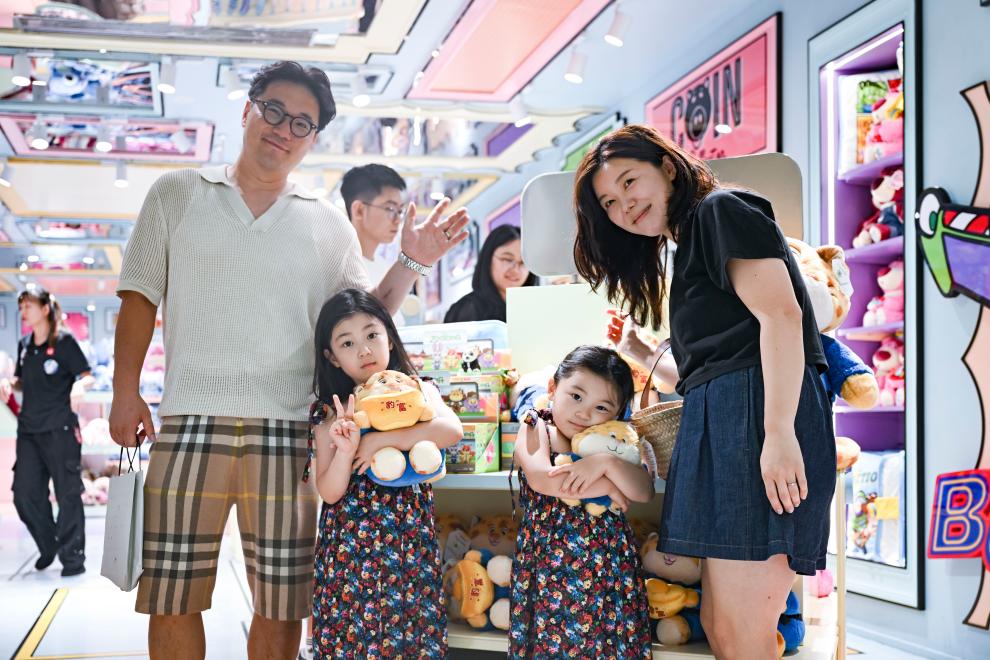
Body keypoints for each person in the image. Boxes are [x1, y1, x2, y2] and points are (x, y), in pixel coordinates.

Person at [109, 61, 468, 660]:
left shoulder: (326, 223)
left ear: (313, 137)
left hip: (290, 431)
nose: (284, 128)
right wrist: (125, 391)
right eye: (274, 110)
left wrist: (411, 261)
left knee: (281, 603)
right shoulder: (177, 193)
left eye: (302, 122)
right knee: (172, 594)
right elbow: (139, 295)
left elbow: (363, 319)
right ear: (247, 109)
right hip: (190, 420)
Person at [572, 124, 835, 656]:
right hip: (727, 423)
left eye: (630, 182)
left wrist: (779, 434)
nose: (624, 205)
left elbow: (782, 317)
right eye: (609, 202)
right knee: (722, 625)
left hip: (757, 422)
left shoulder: (721, 210)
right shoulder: (690, 242)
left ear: (668, 167)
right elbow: (714, 371)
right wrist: (641, 352)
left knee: (743, 632)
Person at [309, 288, 461, 657]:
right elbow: (329, 491)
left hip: (409, 543)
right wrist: (347, 451)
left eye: (372, 335)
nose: (364, 350)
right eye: (347, 343)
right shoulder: (328, 413)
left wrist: (380, 440)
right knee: (352, 642)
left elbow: (451, 431)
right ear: (331, 356)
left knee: (412, 638)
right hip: (350, 553)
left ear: (389, 338)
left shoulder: (419, 391)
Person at [510, 345, 654, 658]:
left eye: (601, 407)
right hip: (552, 567)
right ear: (553, 387)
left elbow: (644, 491)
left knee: (610, 644)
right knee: (555, 645)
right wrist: (610, 487)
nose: (584, 413)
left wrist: (606, 463)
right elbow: (544, 479)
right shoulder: (537, 426)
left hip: (609, 565)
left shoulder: (614, 441)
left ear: (617, 412)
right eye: (576, 396)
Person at [1, 288, 94, 577]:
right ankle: (49, 544)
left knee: (68, 494)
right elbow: (22, 380)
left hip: (60, 429)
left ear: (44, 309)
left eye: (28, 306)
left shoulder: (64, 342)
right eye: (21, 307)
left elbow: (87, 376)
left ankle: (73, 558)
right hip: (29, 431)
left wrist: (78, 385)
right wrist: (9, 383)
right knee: (24, 494)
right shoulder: (25, 345)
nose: (23, 311)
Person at [444, 224, 537, 323]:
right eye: (507, 259)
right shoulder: (467, 308)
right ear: (488, 259)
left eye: (523, 263)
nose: (516, 270)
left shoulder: (533, 308)